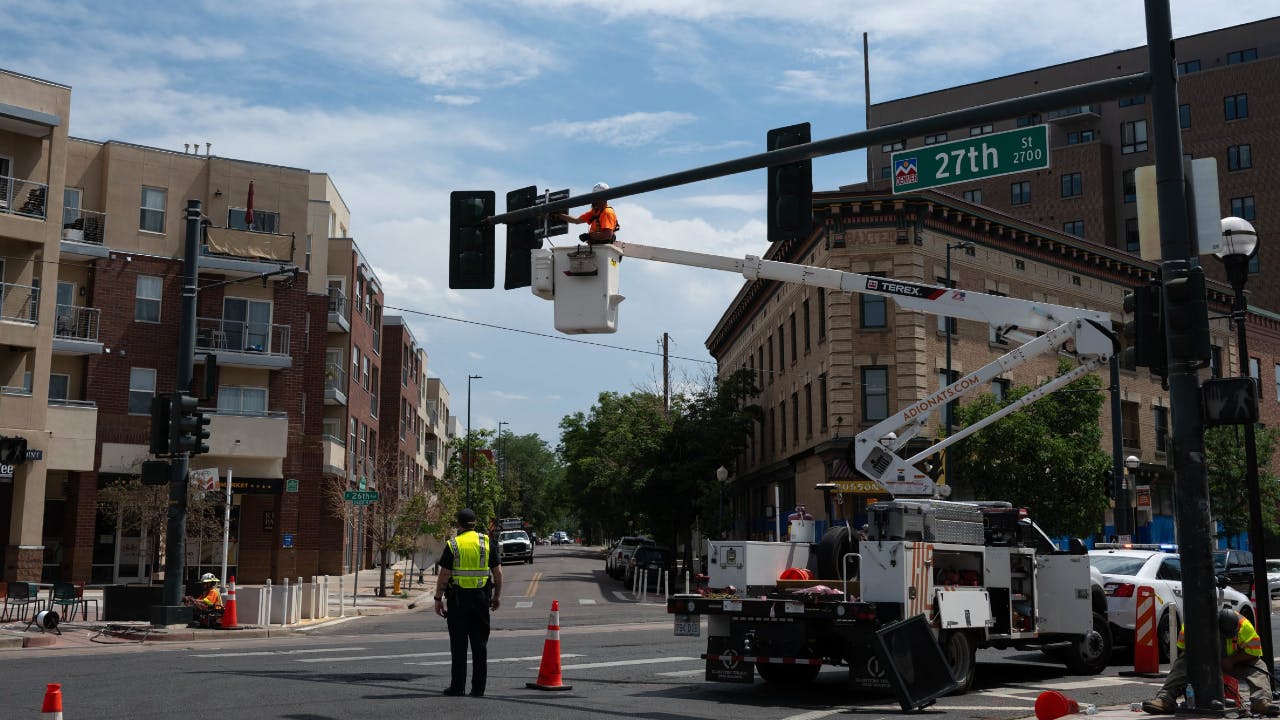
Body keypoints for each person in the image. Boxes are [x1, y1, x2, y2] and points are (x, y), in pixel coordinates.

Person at [1142, 608, 1277, 715]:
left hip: (1234, 662)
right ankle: (1165, 699)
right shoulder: (1194, 624)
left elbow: (1254, 652)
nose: (1229, 639)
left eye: (1232, 636)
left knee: (1259, 665)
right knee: (1183, 663)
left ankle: (1260, 701)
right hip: (1201, 661)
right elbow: (1183, 648)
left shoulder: (1244, 626)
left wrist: (1232, 660)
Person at [434, 508, 503, 697]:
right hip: (481, 600)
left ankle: (458, 687)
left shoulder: (453, 544)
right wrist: (496, 596)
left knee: (459, 646)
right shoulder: (486, 543)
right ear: (474, 522)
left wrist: (438, 599)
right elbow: (498, 573)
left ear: (458, 524)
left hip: (458, 600)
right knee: (480, 646)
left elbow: (444, 575)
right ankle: (478, 688)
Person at [554, 182, 619, 244]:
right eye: (594, 196)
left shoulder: (607, 212)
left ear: (605, 198)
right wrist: (559, 215)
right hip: (596, 247)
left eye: (598, 196)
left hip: (603, 249)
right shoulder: (595, 211)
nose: (595, 199)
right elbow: (576, 220)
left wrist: (589, 236)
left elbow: (608, 235)